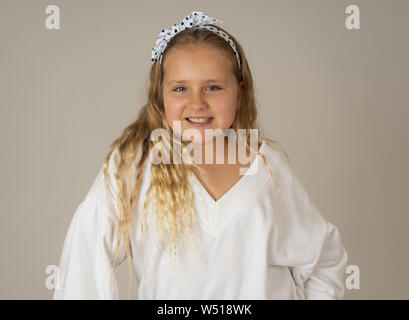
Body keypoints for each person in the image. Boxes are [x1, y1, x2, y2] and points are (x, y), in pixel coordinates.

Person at [53, 11, 348, 300]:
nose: (197, 103)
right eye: (180, 88)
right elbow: (84, 260)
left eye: (213, 87)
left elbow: (323, 260)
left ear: (240, 92)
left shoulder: (266, 165)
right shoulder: (135, 165)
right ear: (160, 95)